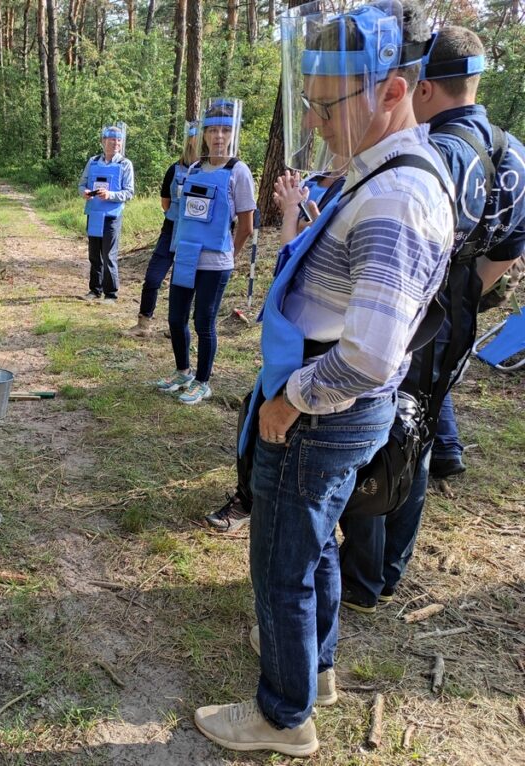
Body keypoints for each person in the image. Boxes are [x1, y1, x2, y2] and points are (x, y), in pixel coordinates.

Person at [193, 1, 453, 756]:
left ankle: (284, 714)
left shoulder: (398, 198)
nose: (312, 120)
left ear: (394, 93)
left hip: (321, 413)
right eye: (307, 100)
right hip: (326, 410)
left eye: (326, 104)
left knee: (282, 563)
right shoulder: (374, 173)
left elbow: (370, 354)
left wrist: (290, 404)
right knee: (316, 546)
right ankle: (317, 666)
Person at [338, 25, 525, 613]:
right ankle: (391, 567)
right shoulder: (511, 150)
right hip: (459, 313)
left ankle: (363, 577)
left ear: (422, 84)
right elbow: (509, 248)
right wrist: (466, 291)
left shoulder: (430, 152)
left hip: (411, 311)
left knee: (375, 437)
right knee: (416, 439)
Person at [204, 164, 347, 532]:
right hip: (292, 338)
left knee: (279, 426)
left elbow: (296, 252)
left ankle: (261, 506)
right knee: (255, 413)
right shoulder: (316, 181)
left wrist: (291, 216)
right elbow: (302, 246)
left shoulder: (364, 186)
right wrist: (301, 216)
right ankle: (251, 499)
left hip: (320, 348)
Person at [152, 99, 256, 403]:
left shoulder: (239, 171)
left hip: (214, 262)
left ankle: (202, 380)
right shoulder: (194, 168)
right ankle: (182, 371)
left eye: (226, 130)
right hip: (185, 256)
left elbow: (246, 225)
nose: (219, 137)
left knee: (203, 322)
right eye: (213, 130)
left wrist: (229, 256)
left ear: (233, 134)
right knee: (175, 318)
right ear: (204, 135)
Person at [125, 124, 200, 337]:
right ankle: (143, 324)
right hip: (171, 230)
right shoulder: (173, 169)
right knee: (153, 277)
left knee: (184, 280)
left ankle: (177, 326)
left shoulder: (209, 172)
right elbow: (165, 203)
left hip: (193, 234)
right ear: (189, 142)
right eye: (195, 139)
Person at [78, 125, 135, 303]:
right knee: (94, 254)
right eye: (112, 139)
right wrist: (84, 192)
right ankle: (95, 290)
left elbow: (129, 192)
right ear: (103, 141)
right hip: (94, 213)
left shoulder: (125, 164)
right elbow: (82, 184)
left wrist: (110, 195)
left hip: (112, 216)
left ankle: (111, 294)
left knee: (109, 254)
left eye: (118, 140)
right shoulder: (93, 161)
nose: (115, 143)